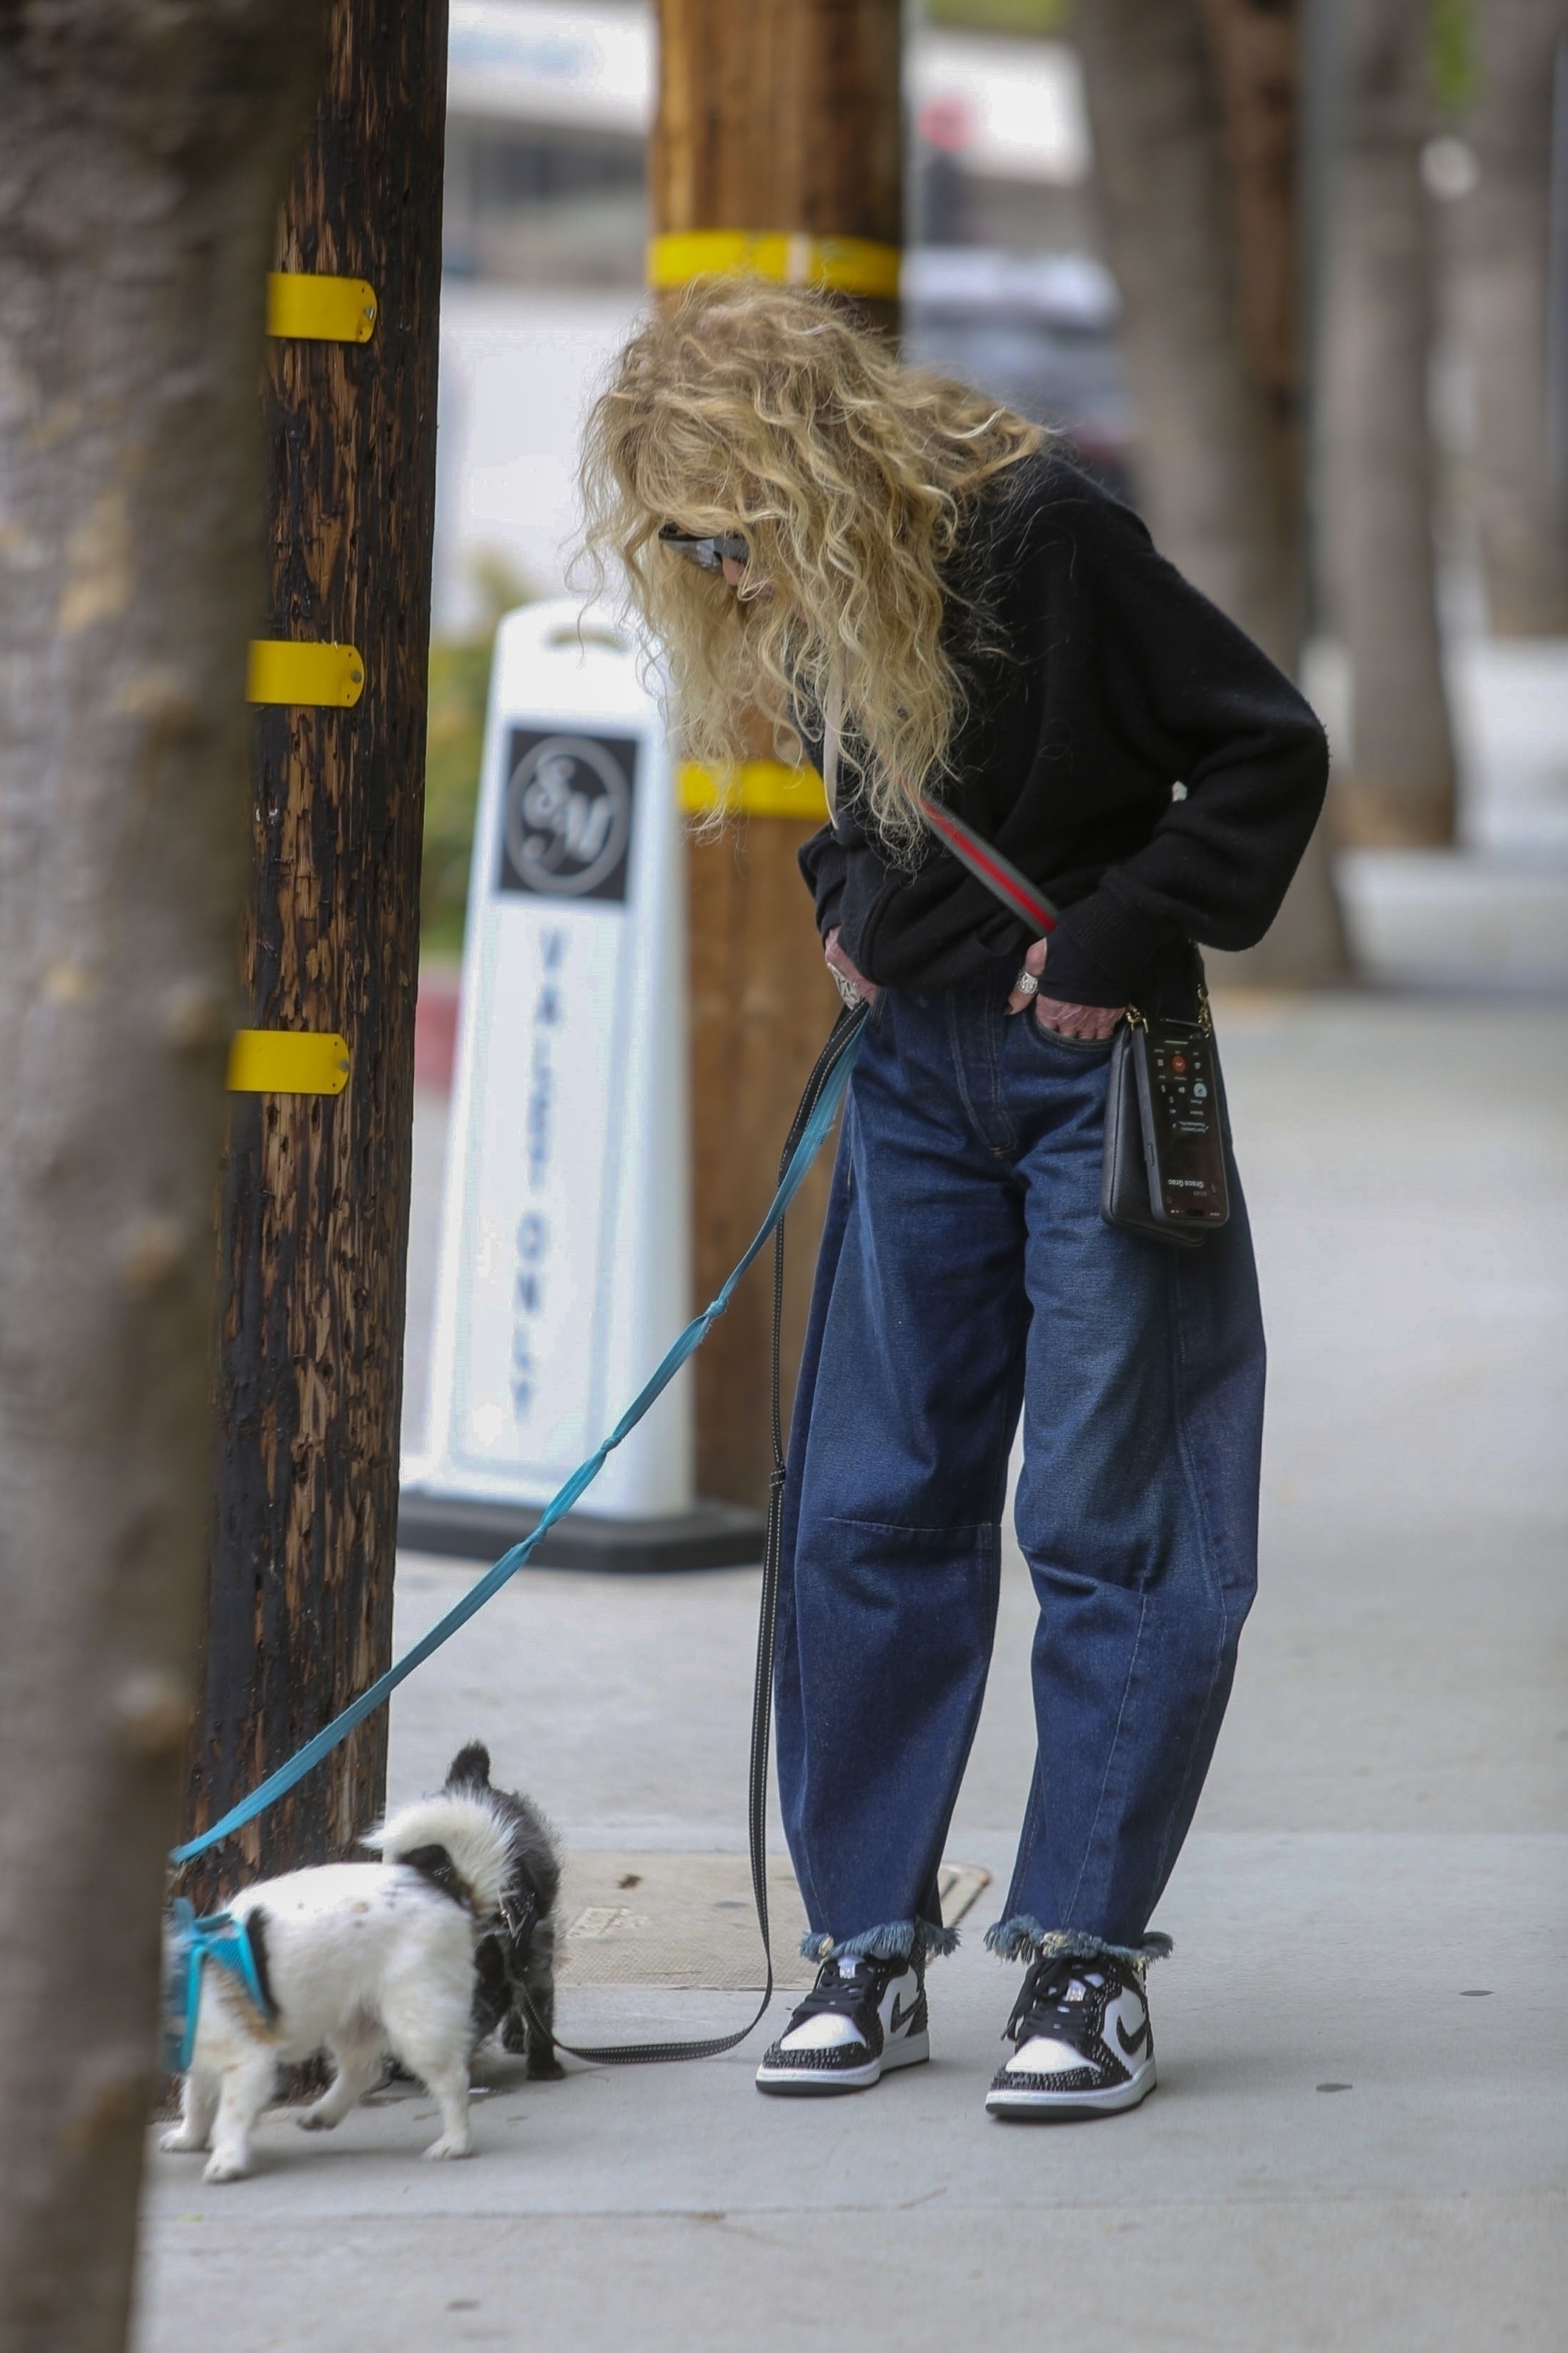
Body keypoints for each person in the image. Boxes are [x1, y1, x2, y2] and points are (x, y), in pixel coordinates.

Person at [580, 279, 1328, 2120]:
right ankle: (866, 1942)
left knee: (1112, 1509)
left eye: (727, 529)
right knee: (866, 1501)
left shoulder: (1043, 532)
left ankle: (1084, 1955)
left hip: (1096, 1063)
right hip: (914, 1073)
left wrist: (1115, 931)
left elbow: (1261, 746)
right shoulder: (818, 579)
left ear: (811, 469)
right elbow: (866, 797)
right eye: (686, 541)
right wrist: (846, 906)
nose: (718, 570)